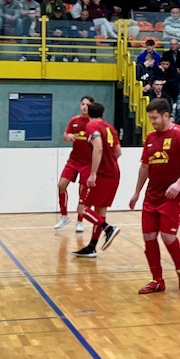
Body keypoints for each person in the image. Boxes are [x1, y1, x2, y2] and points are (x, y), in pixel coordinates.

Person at [128, 98, 180, 294]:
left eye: (155, 118)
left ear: (166, 115)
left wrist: (178, 183)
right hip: (152, 196)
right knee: (149, 237)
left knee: (168, 236)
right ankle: (157, 280)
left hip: (173, 197)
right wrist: (137, 192)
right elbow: (145, 167)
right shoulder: (150, 137)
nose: (152, 122)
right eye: (150, 118)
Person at [72, 102, 123, 257]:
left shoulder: (91, 126)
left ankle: (108, 229)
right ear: (103, 113)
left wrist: (93, 173)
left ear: (89, 113)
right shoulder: (110, 127)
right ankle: (92, 247)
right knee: (100, 211)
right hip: (114, 173)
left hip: (102, 174)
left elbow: (98, 147)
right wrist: (109, 162)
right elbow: (118, 152)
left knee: (83, 209)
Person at [55, 97, 94, 233]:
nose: (85, 107)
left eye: (87, 105)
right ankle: (64, 216)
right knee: (61, 184)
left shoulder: (94, 123)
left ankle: (80, 221)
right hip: (73, 160)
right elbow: (65, 136)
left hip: (88, 162)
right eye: (83, 104)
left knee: (82, 191)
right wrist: (67, 137)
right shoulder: (74, 120)